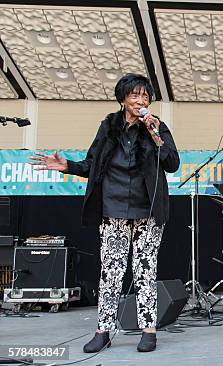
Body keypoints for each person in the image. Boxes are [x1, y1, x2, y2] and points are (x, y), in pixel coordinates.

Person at [29, 74, 180, 352]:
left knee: (145, 271)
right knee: (111, 272)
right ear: (123, 99)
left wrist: (155, 134)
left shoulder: (157, 127)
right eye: (135, 95)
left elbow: (172, 163)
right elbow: (91, 163)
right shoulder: (108, 126)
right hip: (112, 209)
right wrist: (67, 166)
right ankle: (103, 330)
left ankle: (149, 330)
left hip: (147, 211)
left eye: (146, 96)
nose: (141, 101)